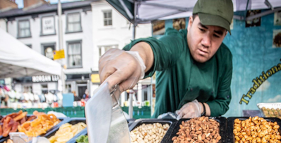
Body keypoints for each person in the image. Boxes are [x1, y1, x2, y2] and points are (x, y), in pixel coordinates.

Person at [99, 0, 233, 118]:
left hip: (203, 135)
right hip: (163, 128)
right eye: (202, 29)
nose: (206, 42)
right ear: (190, 23)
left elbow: (223, 102)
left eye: (216, 35)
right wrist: (137, 58)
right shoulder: (177, 43)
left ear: (224, 35)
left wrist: (200, 108)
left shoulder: (225, 57)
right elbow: (157, 49)